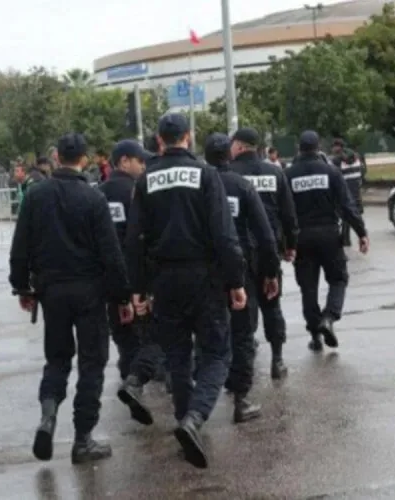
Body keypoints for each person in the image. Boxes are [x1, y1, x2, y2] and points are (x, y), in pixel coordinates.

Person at [126, 114, 246, 469]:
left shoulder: (146, 180)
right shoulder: (206, 174)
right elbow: (224, 235)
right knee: (216, 355)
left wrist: (138, 288)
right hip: (204, 277)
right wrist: (236, 280)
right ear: (188, 138)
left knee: (178, 355)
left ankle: (184, 421)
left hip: (165, 280)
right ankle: (193, 419)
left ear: (160, 141)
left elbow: (134, 241)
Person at [9, 132, 133, 465]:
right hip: (90, 291)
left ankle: (48, 417)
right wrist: (122, 296)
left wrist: (22, 287)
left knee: (58, 359)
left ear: (56, 156)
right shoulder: (93, 199)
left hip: (52, 292)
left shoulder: (35, 196)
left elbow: (20, 246)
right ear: (84, 159)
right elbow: (111, 252)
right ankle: (83, 438)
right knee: (92, 362)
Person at [205, 133, 281, 423]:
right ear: (230, 153)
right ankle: (241, 398)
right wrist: (270, 271)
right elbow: (264, 234)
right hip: (241, 269)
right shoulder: (241, 186)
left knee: (209, 333)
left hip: (208, 271)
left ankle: (199, 398)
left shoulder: (202, 185)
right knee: (242, 333)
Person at [285, 131, 369, 352]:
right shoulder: (331, 171)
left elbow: (283, 211)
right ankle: (329, 317)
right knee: (338, 279)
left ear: (299, 148)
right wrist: (361, 232)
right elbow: (347, 205)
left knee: (308, 288)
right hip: (329, 235)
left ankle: (315, 335)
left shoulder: (289, 175)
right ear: (318, 146)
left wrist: (285, 242)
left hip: (301, 237)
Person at [99, 139, 162, 426]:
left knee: (124, 338)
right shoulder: (137, 192)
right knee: (152, 337)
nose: (144, 166)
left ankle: (130, 383)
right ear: (125, 161)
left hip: (109, 279)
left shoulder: (98, 194)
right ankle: (139, 383)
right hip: (136, 276)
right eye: (140, 161)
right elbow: (143, 238)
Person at [230, 128, 298, 380]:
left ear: (238, 146)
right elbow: (288, 215)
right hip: (268, 249)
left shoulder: (228, 175)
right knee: (272, 304)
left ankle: (241, 371)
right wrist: (290, 244)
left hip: (239, 252)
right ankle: (277, 360)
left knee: (242, 311)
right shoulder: (274, 172)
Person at [329, 138, 365, 247]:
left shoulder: (336, 160)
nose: (332, 149)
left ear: (338, 147)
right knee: (354, 214)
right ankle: (360, 236)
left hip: (345, 190)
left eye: (333, 147)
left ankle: (345, 239)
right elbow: (363, 171)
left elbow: (333, 176)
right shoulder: (357, 156)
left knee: (345, 215)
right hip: (356, 189)